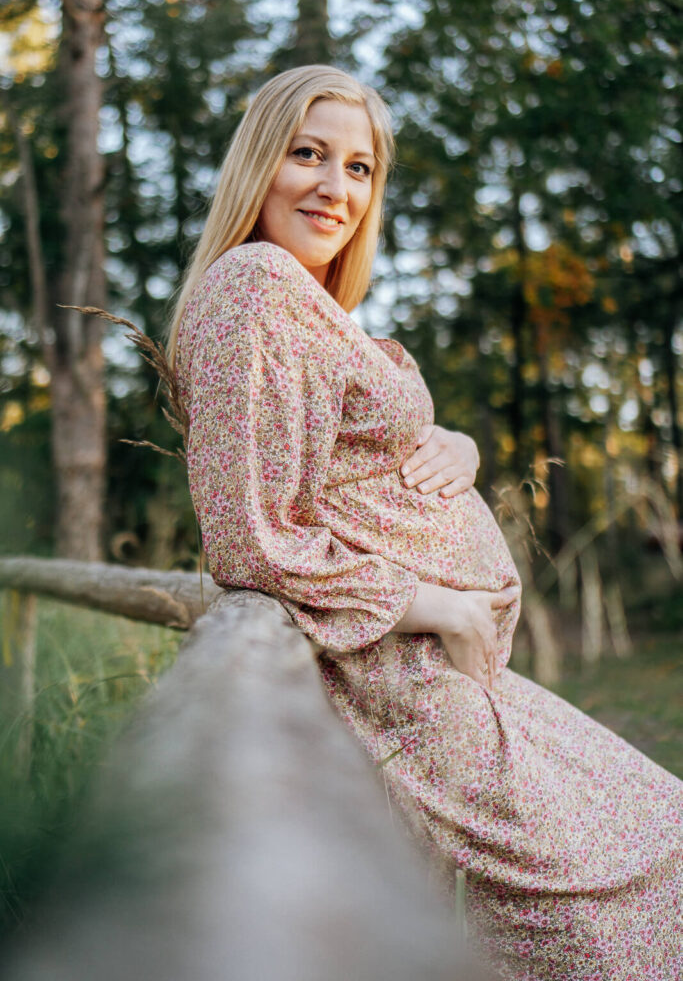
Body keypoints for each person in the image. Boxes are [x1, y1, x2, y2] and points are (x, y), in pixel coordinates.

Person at [169, 65, 681, 981]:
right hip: (401, 680)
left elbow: (351, 449)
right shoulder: (252, 285)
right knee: (599, 888)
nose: (335, 187)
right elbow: (250, 538)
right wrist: (431, 603)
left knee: (628, 856)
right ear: (260, 163)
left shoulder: (308, 305)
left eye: (358, 168)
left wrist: (458, 446)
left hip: (442, 679)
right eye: (307, 155)